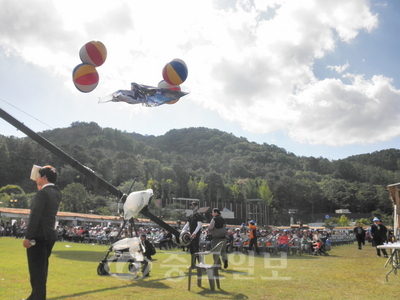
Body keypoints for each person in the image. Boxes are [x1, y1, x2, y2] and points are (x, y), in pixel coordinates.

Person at [23, 165, 61, 300]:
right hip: (49, 234)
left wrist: (28, 237)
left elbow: (35, 216)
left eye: (38, 176)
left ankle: (37, 297)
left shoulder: (43, 193)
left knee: (36, 270)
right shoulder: (56, 192)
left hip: (38, 236)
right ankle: (36, 296)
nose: (36, 178)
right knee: (42, 269)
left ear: (44, 177)